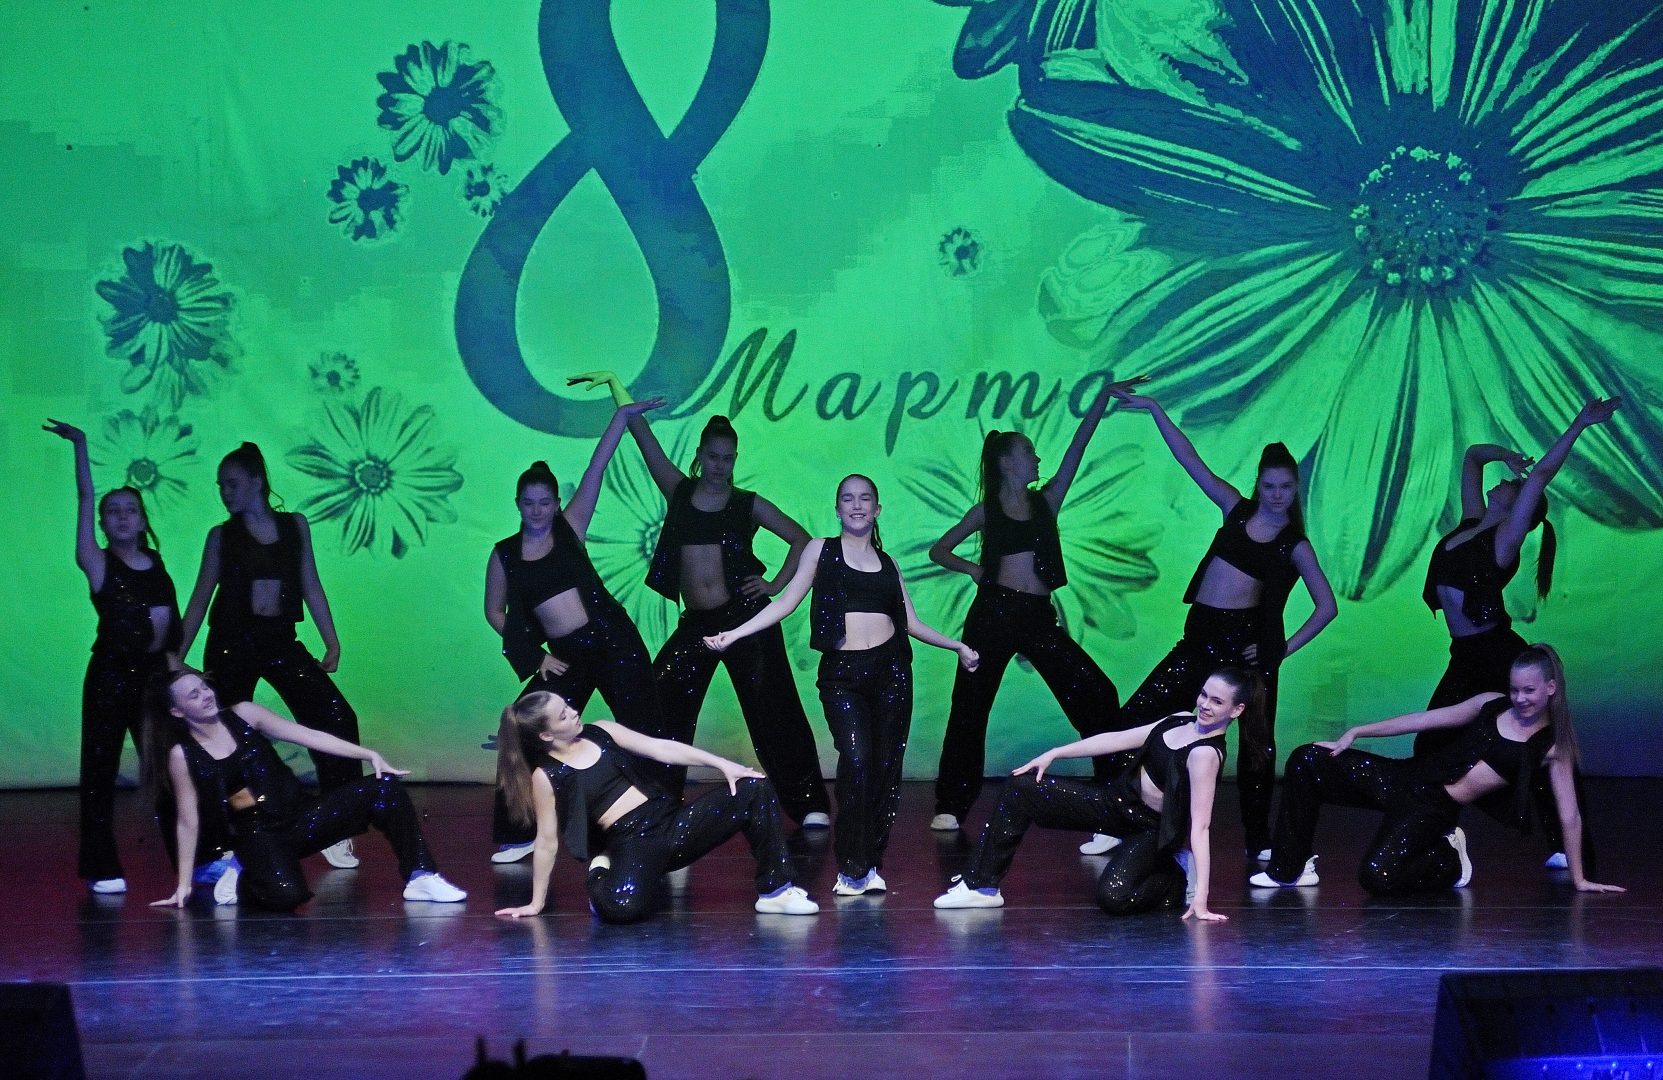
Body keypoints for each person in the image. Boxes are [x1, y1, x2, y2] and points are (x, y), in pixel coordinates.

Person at [1091, 389, 1337, 860]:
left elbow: (1326, 607)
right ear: (1258, 486)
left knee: (1257, 750)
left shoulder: (1294, 544)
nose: (1277, 495)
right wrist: (1156, 409)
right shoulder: (1235, 509)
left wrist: (1280, 649)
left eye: (1285, 487)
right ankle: (1119, 820)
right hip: (1198, 640)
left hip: (1243, 653)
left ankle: (1258, 840)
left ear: (1295, 490)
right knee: (1136, 719)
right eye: (1269, 486)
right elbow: (1190, 460)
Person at [706, 474, 979, 895]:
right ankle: (851, 867)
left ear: (877, 509)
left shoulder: (888, 564)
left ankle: (869, 865)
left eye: (865, 498)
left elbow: (911, 623)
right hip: (843, 676)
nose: (856, 505)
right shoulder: (821, 550)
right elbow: (785, 602)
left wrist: (957, 645)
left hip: (891, 672)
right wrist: (734, 634)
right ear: (837, 509)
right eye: (848, 499)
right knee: (856, 760)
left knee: (885, 770)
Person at [927, 377, 1135, 832]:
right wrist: (973, 569)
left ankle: (1112, 791)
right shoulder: (985, 510)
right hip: (993, 614)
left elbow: (1077, 450)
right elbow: (939, 550)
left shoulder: (1046, 502)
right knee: (969, 707)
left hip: (1037, 618)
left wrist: (1101, 399)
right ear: (1007, 463)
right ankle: (951, 804)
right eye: (1029, 452)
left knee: (1096, 693)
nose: (1037, 458)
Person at [1249, 644, 1622, 896]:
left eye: (1529, 691)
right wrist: (1357, 731)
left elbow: (1570, 815)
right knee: (1308, 759)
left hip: (1433, 809)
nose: (1520, 698)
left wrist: (1579, 879)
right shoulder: (1491, 704)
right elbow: (1422, 720)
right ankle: (1290, 868)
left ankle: (1450, 860)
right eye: (1515, 690)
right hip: (1405, 778)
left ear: (1551, 688)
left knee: (1377, 877)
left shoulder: (1552, 747)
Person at [483, 399, 675, 863]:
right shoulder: (505, 553)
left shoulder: (571, 527)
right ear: (518, 504)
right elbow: (494, 612)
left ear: (555, 503)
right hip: (564, 655)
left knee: (645, 731)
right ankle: (520, 830)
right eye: (529, 503)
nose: (537, 511)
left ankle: (662, 826)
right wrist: (535, 655)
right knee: (523, 731)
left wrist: (621, 416)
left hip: (614, 642)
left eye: (545, 502)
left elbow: (597, 467)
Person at [622, 409, 830, 827]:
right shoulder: (679, 491)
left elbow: (802, 541)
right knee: (662, 699)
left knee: (775, 708)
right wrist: (623, 402)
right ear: (700, 455)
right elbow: (648, 448)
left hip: (744, 619)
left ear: (735, 458)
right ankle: (658, 803)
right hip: (697, 624)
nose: (720, 465)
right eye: (714, 456)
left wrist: (774, 586)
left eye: (728, 458)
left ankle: (809, 805)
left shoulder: (745, 503)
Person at [934, 667, 1262, 921]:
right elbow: (1116, 739)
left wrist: (1201, 897)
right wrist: (1056, 753)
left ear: (1236, 710)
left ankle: (1175, 878)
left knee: (1114, 897)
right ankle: (982, 886)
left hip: (1150, 830)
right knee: (1021, 788)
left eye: (1217, 701)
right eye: (1204, 695)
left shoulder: (1205, 755)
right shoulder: (1177, 720)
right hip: (1114, 803)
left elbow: (1201, 826)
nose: (1204, 704)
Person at [177, 442, 363, 869]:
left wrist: (331, 640)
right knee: (224, 736)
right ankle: (230, 835)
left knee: (336, 716)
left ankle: (335, 825)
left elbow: (310, 582)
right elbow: (200, 599)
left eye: (232, 483)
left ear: (257, 482)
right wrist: (176, 658)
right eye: (221, 486)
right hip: (232, 643)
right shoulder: (221, 536)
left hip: (279, 639)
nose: (225, 492)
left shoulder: (294, 525)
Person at [143, 669, 466, 911]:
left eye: (204, 687)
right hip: (258, 836)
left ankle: (420, 876)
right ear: (177, 711)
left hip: (300, 815)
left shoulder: (244, 714)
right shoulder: (182, 755)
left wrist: (369, 755)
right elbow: (188, 821)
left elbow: (309, 736)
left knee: (386, 787)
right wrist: (183, 884)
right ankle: (241, 876)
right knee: (288, 895)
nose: (206, 695)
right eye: (194, 695)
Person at [492, 689, 819, 923]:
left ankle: (776, 891)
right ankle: (600, 870)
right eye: (563, 715)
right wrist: (536, 903)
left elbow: (660, 748)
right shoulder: (547, 776)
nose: (574, 712)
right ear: (546, 735)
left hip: (672, 823)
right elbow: (547, 843)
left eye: (568, 706)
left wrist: (723, 765)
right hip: (632, 843)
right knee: (622, 908)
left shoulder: (601, 731)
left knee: (754, 788)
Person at [45, 419, 183, 894]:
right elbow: (84, 497)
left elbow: (169, 624)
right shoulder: (98, 561)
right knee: (100, 771)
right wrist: (81, 446)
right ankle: (100, 865)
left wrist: (176, 670)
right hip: (111, 675)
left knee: (169, 766)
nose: (122, 517)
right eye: (113, 512)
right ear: (104, 524)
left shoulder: (156, 563)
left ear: (143, 520)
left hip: (154, 677)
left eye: (131, 510)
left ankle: (197, 857)